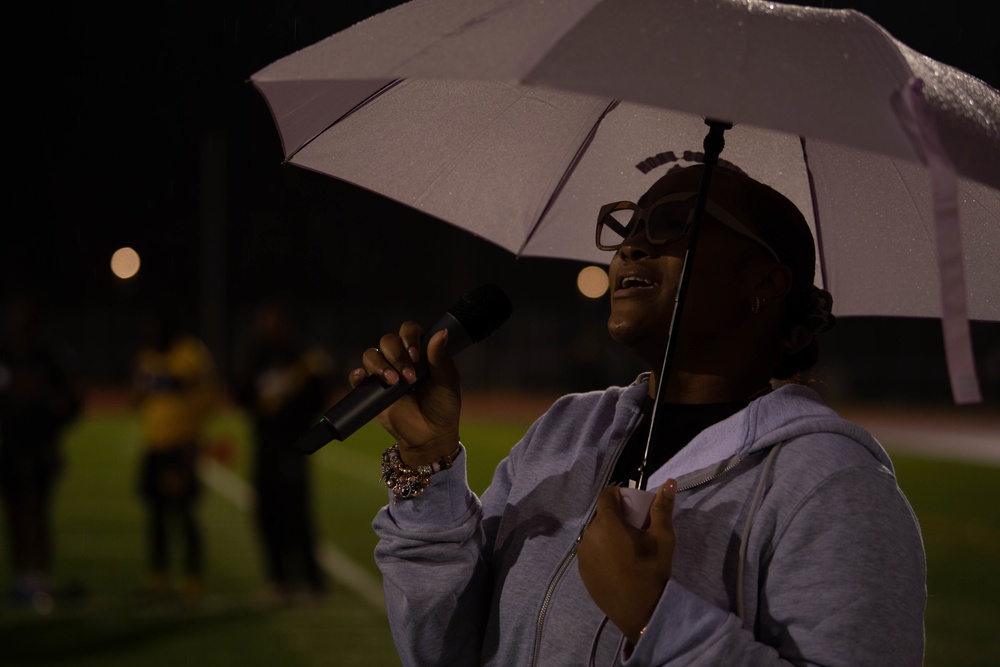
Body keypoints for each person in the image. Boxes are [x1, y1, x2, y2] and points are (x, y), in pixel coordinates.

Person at [352, 163, 927, 665]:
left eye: (675, 223)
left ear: (764, 282)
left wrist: (657, 620)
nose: (630, 246)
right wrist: (427, 464)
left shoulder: (834, 486)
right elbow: (443, 652)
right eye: (628, 227)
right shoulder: (566, 430)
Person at [233, 296, 335, 603]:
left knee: (297, 513)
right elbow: (242, 395)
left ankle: (311, 579)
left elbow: (319, 394)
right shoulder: (256, 355)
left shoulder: (304, 354)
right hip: (264, 443)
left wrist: (291, 409)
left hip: (293, 444)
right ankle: (279, 578)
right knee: (266, 512)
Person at [132, 302, 219, 602]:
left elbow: (200, 392)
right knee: (155, 514)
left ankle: (192, 579)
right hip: (154, 444)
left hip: (181, 445)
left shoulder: (190, 352)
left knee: (183, 513)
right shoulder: (148, 355)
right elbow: (137, 396)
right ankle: (157, 578)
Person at [0, 296, 82, 611]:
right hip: (9, 448)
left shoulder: (49, 358)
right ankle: (22, 578)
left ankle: (40, 579)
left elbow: (72, 400)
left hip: (39, 449)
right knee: (15, 515)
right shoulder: (5, 355)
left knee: (36, 512)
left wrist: (52, 420)